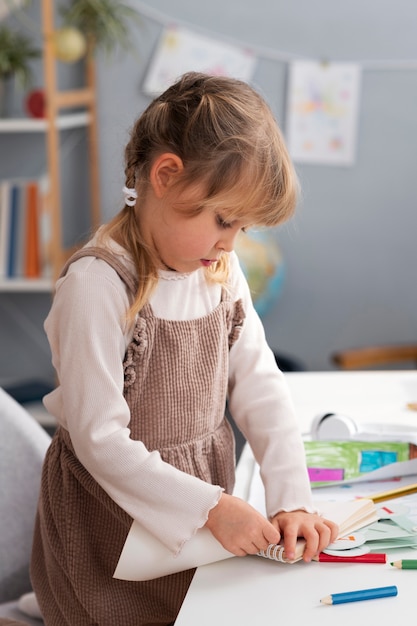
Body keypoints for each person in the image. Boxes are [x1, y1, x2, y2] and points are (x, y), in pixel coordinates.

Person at [31, 72, 338, 625]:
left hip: (200, 506)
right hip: (110, 520)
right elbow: (101, 440)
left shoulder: (219, 269)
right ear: (166, 176)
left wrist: (292, 498)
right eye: (223, 219)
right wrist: (212, 507)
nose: (230, 242)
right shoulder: (98, 285)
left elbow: (260, 383)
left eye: (241, 227)